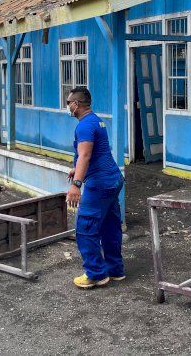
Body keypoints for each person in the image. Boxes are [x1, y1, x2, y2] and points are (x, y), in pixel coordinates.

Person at [65, 87, 125, 289]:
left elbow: (85, 155)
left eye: (68, 103)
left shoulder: (84, 126)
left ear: (76, 104)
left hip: (99, 184)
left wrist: (76, 185)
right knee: (110, 225)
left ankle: (96, 274)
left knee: (85, 228)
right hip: (113, 180)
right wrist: (77, 169)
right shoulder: (97, 121)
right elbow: (97, 153)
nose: (67, 107)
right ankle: (115, 270)